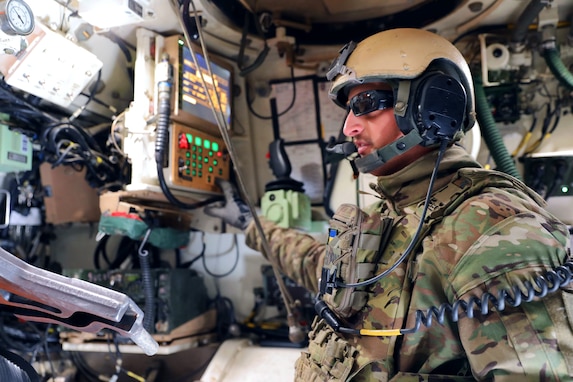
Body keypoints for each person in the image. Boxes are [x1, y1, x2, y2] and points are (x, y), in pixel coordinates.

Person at [205, 28, 573, 381]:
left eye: (365, 105)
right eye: (349, 110)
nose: (349, 128)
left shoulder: (497, 231)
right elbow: (318, 265)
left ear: (433, 106)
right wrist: (248, 223)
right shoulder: (395, 214)